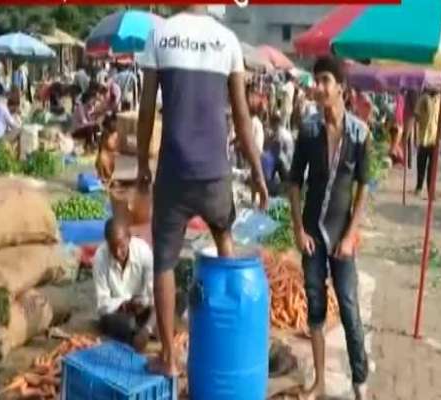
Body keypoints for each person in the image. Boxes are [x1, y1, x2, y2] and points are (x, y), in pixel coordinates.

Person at [136, 5, 268, 377]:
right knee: (225, 246)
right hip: (215, 173)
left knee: (164, 262)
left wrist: (145, 165)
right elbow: (242, 117)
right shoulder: (227, 40)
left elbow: (147, 110)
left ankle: (168, 359)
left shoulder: (159, 35)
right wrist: (257, 171)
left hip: (174, 172)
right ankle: (229, 344)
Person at [288, 56, 370, 400]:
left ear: (341, 88)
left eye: (325, 81)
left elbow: (363, 186)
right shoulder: (308, 130)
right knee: (316, 306)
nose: (318, 88)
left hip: (341, 237)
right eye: (316, 81)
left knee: (349, 308)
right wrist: (297, 229)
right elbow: (293, 183)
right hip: (312, 237)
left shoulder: (360, 133)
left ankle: (360, 385)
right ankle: (320, 383)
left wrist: (351, 235)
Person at [93, 218, 155, 351]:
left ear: (129, 238)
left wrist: (147, 328)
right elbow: (103, 304)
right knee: (121, 324)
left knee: (167, 308)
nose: (117, 253)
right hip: (120, 314)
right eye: (112, 248)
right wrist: (125, 304)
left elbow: (155, 295)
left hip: (144, 310)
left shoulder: (143, 251)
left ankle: (145, 331)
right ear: (107, 243)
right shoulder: (100, 257)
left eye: (121, 246)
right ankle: (137, 333)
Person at [414, 88, 441, 195]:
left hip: (435, 138)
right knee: (421, 165)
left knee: (432, 167)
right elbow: (416, 115)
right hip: (424, 138)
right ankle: (419, 187)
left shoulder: (439, 100)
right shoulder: (423, 99)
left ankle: (430, 190)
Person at [95, 114, 120, 184]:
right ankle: (104, 177)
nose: (114, 125)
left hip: (110, 155)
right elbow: (103, 145)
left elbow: (115, 146)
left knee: (109, 166)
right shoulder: (105, 134)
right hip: (104, 155)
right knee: (103, 161)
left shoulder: (116, 134)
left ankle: (108, 178)